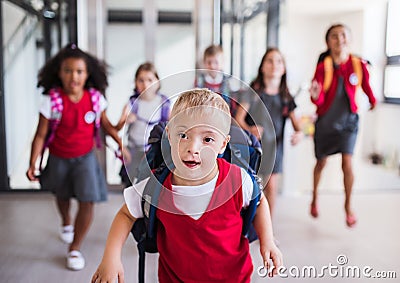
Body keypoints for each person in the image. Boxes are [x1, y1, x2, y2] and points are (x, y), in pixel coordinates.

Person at [91, 88, 282, 283]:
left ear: (223, 145)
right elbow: (126, 214)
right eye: (183, 135)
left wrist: (267, 241)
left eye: (207, 139)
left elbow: (259, 203)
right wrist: (111, 258)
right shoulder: (156, 186)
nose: (193, 148)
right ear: (169, 135)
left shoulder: (238, 181)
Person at [26, 43, 128, 271]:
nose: (74, 76)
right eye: (68, 71)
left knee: (87, 200)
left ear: (87, 74)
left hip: (85, 158)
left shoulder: (94, 99)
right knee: (62, 196)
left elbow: (106, 126)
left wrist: (120, 144)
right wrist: (33, 162)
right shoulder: (52, 101)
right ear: (59, 73)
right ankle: (66, 220)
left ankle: (74, 247)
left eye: (79, 71)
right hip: (59, 158)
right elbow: (41, 135)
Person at [309, 23, 377, 227]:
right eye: (334, 36)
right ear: (328, 42)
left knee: (347, 162)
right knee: (321, 163)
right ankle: (314, 197)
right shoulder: (323, 67)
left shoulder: (358, 64)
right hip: (326, 123)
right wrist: (314, 95)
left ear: (350, 38)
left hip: (349, 122)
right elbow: (319, 99)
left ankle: (348, 206)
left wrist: (373, 101)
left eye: (343, 35)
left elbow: (365, 86)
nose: (339, 40)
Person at [235, 48, 303, 218]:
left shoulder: (286, 97)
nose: (274, 65)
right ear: (262, 67)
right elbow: (238, 119)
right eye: (270, 61)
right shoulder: (253, 93)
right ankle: (247, 224)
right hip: (253, 147)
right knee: (251, 187)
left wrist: (299, 134)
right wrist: (249, 129)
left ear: (284, 68)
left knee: (271, 187)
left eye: (279, 61)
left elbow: (298, 126)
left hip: (275, 148)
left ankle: (268, 229)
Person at [114, 62, 170, 186]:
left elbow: (172, 128)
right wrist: (123, 149)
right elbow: (116, 130)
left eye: (150, 80)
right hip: (134, 152)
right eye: (141, 80)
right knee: (131, 188)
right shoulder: (132, 103)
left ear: (158, 82)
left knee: (152, 188)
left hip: (154, 152)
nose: (145, 84)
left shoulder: (164, 104)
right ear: (135, 83)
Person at [195, 44, 239, 116]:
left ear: (222, 62)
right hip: (205, 118)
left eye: (216, 62)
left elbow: (234, 105)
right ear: (204, 63)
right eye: (209, 62)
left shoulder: (229, 82)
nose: (212, 66)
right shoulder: (199, 82)